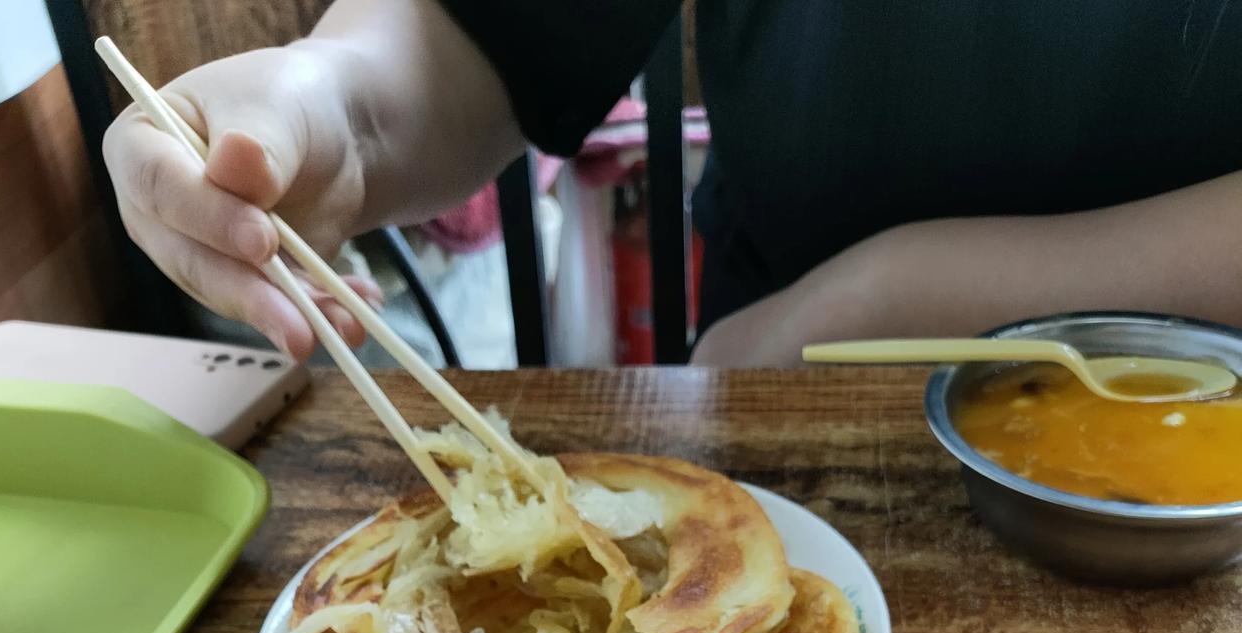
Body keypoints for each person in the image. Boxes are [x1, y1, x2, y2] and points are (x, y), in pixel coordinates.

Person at [102, 0, 1242, 366]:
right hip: (777, 409)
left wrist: (891, 294)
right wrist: (322, 106)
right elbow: (483, 32)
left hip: (1202, 429)